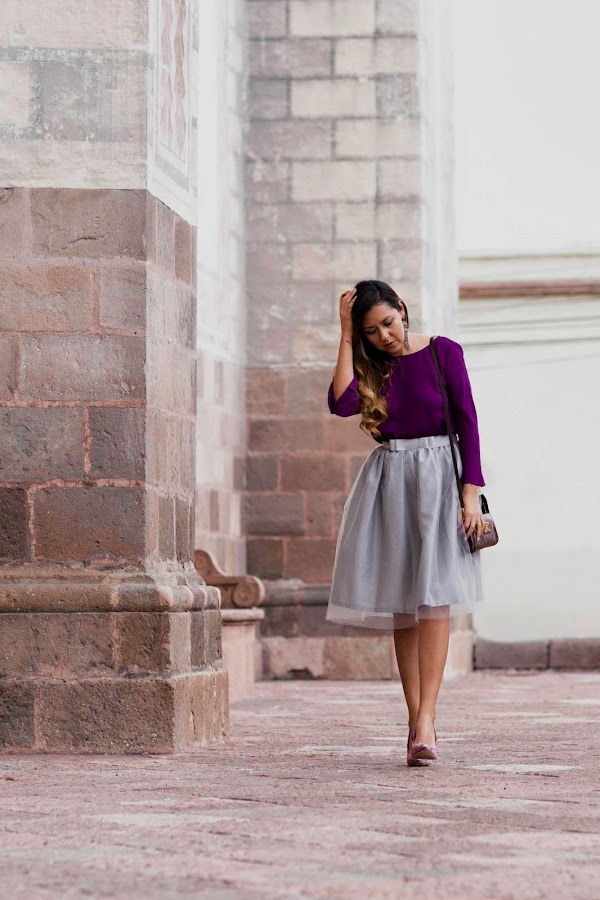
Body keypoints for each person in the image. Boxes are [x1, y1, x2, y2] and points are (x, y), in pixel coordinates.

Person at [326, 280, 486, 768]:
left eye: (388, 323)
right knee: (403, 604)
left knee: (434, 597)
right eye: (371, 331)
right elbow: (340, 402)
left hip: (440, 478)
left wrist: (471, 496)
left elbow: (468, 421)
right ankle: (416, 719)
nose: (385, 336)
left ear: (402, 309)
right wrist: (345, 334)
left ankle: (428, 719)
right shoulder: (372, 364)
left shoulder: (444, 352)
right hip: (391, 479)